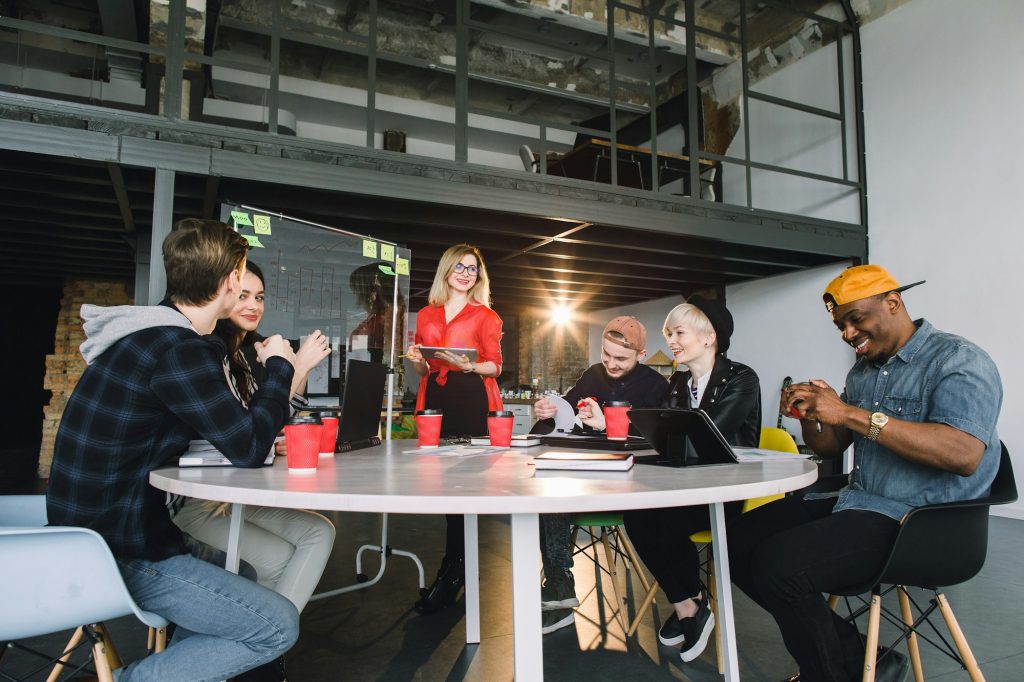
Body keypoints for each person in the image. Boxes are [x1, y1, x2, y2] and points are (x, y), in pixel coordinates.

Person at [46, 219, 301, 681]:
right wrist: (281, 366)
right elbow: (247, 447)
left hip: (81, 537)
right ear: (229, 281)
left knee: (239, 577)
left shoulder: (145, 335)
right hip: (119, 553)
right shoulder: (180, 350)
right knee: (276, 628)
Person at [728, 264, 1002, 682]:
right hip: (861, 502)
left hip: (923, 522)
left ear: (893, 303)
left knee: (780, 566)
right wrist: (810, 416)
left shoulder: (958, 360)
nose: (848, 334)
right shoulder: (864, 371)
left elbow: (962, 454)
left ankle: (831, 673)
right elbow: (833, 447)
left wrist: (850, 413)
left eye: (855, 320)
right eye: (841, 325)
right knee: (737, 542)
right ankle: (857, 659)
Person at [170, 261, 336, 617]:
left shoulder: (244, 354)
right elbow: (248, 435)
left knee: (319, 532)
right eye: (243, 295)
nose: (253, 305)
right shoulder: (210, 352)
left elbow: (267, 422)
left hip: (230, 488)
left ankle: (267, 645)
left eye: (259, 297)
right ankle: (264, 646)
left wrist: (294, 367)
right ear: (223, 293)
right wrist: (298, 366)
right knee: (280, 559)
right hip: (199, 497)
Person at [621, 297, 760, 662]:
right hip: (687, 487)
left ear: (709, 337)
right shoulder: (680, 381)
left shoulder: (742, 378)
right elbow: (663, 435)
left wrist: (667, 440)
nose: (672, 341)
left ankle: (689, 603)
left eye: (678, 332)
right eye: (669, 333)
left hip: (727, 492)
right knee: (635, 513)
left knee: (662, 519)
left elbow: (709, 436)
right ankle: (689, 604)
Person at [531, 316, 669, 634]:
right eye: (606, 355)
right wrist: (549, 409)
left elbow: (658, 441)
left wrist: (607, 424)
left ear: (642, 355)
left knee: (556, 491)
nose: (611, 363)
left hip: (633, 482)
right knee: (548, 487)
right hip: (587, 473)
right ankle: (560, 583)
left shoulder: (656, 386)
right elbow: (566, 405)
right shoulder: (594, 374)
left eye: (620, 358)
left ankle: (557, 585)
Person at [406, 244, 504, 614]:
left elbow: (495, 366)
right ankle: (454, 569)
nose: (466, 273)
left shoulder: (486, 316)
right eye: (460, 266)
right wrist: (419, 360)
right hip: (436, 401)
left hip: (470, 401)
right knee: (445, 490)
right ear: (446, 269)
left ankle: (452, 574)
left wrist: (466, 365)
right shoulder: (426, 313)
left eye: (473, 269)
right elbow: (426, 371)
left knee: (465, 490)